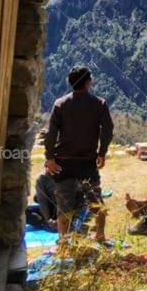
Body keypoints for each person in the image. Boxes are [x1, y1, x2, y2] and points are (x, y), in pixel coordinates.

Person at [44, 66, 114, 242]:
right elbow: (107, 130)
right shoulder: (99, 104)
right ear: (88, 82)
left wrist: (50, 158)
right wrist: (102, 153)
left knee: (64, 205)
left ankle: (63, 241)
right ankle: (100, 235)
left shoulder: (60, 104)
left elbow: (51, 133)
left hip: (63, 163)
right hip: (87, 162)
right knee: (96, 202)